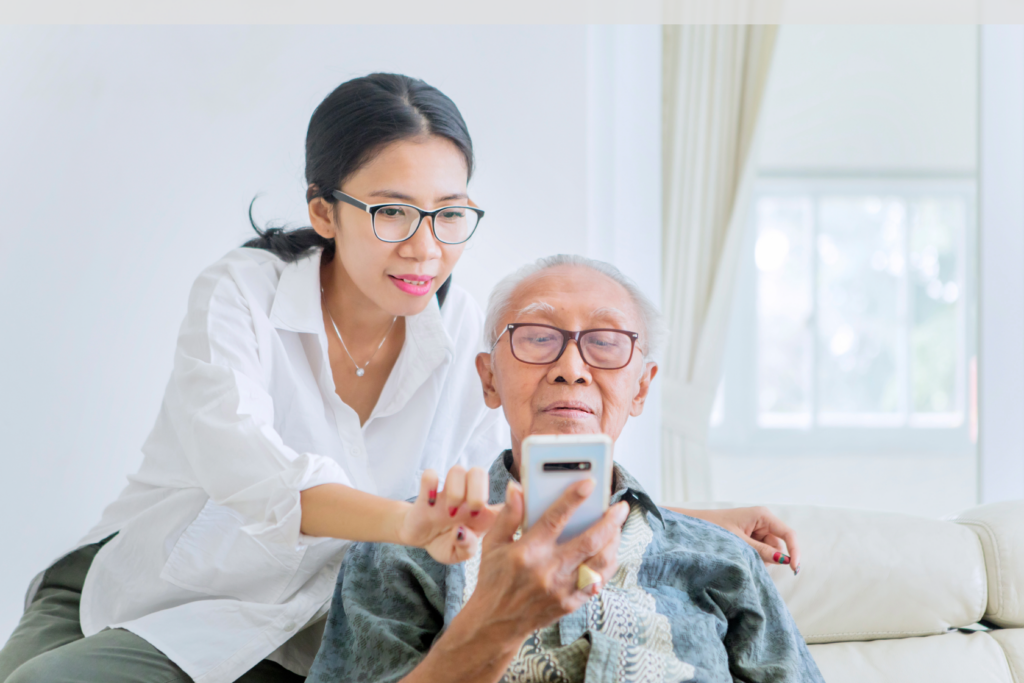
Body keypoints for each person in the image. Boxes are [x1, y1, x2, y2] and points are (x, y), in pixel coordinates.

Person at [0, 74, 799, 683]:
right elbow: (251, 475)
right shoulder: (240, 294)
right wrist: (412, 524)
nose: (425, 247)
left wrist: (691, 518)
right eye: (391, 212)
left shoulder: (466, 338)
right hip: (167, 583)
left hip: (309, 616)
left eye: (449, 213)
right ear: (323, 210)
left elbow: (506, 483)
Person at [308, 254, 823, 683]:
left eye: (604, 342)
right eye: (536, 337)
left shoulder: (721, 557)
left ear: (641, 387)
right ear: (489, 379)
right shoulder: (405, 546)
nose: (571, 369)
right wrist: (491, 624)